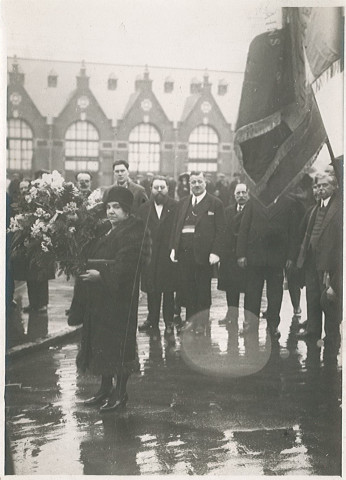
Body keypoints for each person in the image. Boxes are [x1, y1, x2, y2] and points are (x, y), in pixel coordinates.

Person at [77, 186, 150, 413]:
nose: (111, 212)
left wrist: (101, 276)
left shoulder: (134, 232)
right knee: (102, 344)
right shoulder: (107, 230)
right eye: (108, 207)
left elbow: (127, 266)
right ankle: (105, 389)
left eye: (116, 207)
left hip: (120, 299)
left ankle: (121, 393)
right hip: (102, 298)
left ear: (127, 211)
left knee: (119, 345)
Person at [170, 171, 226, 334]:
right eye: (193, 182)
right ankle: (190, 321)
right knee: (187, 288)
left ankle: (202, 323)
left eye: (199, 182)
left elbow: (222, 230)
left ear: (205, 183)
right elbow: (176, 227)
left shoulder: (215, 203)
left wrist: (216, 252)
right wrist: (174, 247)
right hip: (185, 254)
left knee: (202, 290)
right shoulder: (182, 203)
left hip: (204, 255)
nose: (196, 185)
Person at [237, 195, 298, 337]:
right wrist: (241, 254)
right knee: (252, 293)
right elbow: (244, 228)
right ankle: (250, 325)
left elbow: (293, 232)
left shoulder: (289, 203)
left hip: (277, 258)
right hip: (254, 257)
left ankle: (273, 326)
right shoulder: (254, 201)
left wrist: (291, 256)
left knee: (275, 294)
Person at [296, 173, 342, 344]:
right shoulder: (315, 208)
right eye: (318, 186)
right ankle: (313, 329)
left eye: (325, 185)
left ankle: (331, 335)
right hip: (311, 259)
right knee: (312, 296)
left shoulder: (340, 208)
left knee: (328, 301)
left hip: (328, 262)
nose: (320, 189)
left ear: (334, 187)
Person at [137, 176, 178, 335]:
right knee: (151, 289)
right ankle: (152, 320)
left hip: (168, 256)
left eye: (162, 187)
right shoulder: (144, 209)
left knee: (169, 291)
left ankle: (169, 321)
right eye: (156, 187)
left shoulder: (176, 207)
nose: (159, 190)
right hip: (150, 255)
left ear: (168, 188)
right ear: (151, 189)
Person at [217, 183, 249, 325]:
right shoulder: (227, 211)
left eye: (243, 192)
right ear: (234, 195)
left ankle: (248, 319)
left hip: (246, 256)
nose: (241, 196)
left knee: (249, 289)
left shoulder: (252, 210)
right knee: (231, 288)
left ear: (248, 194)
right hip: (229, 256)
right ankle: (231, 315)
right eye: (238, 193)